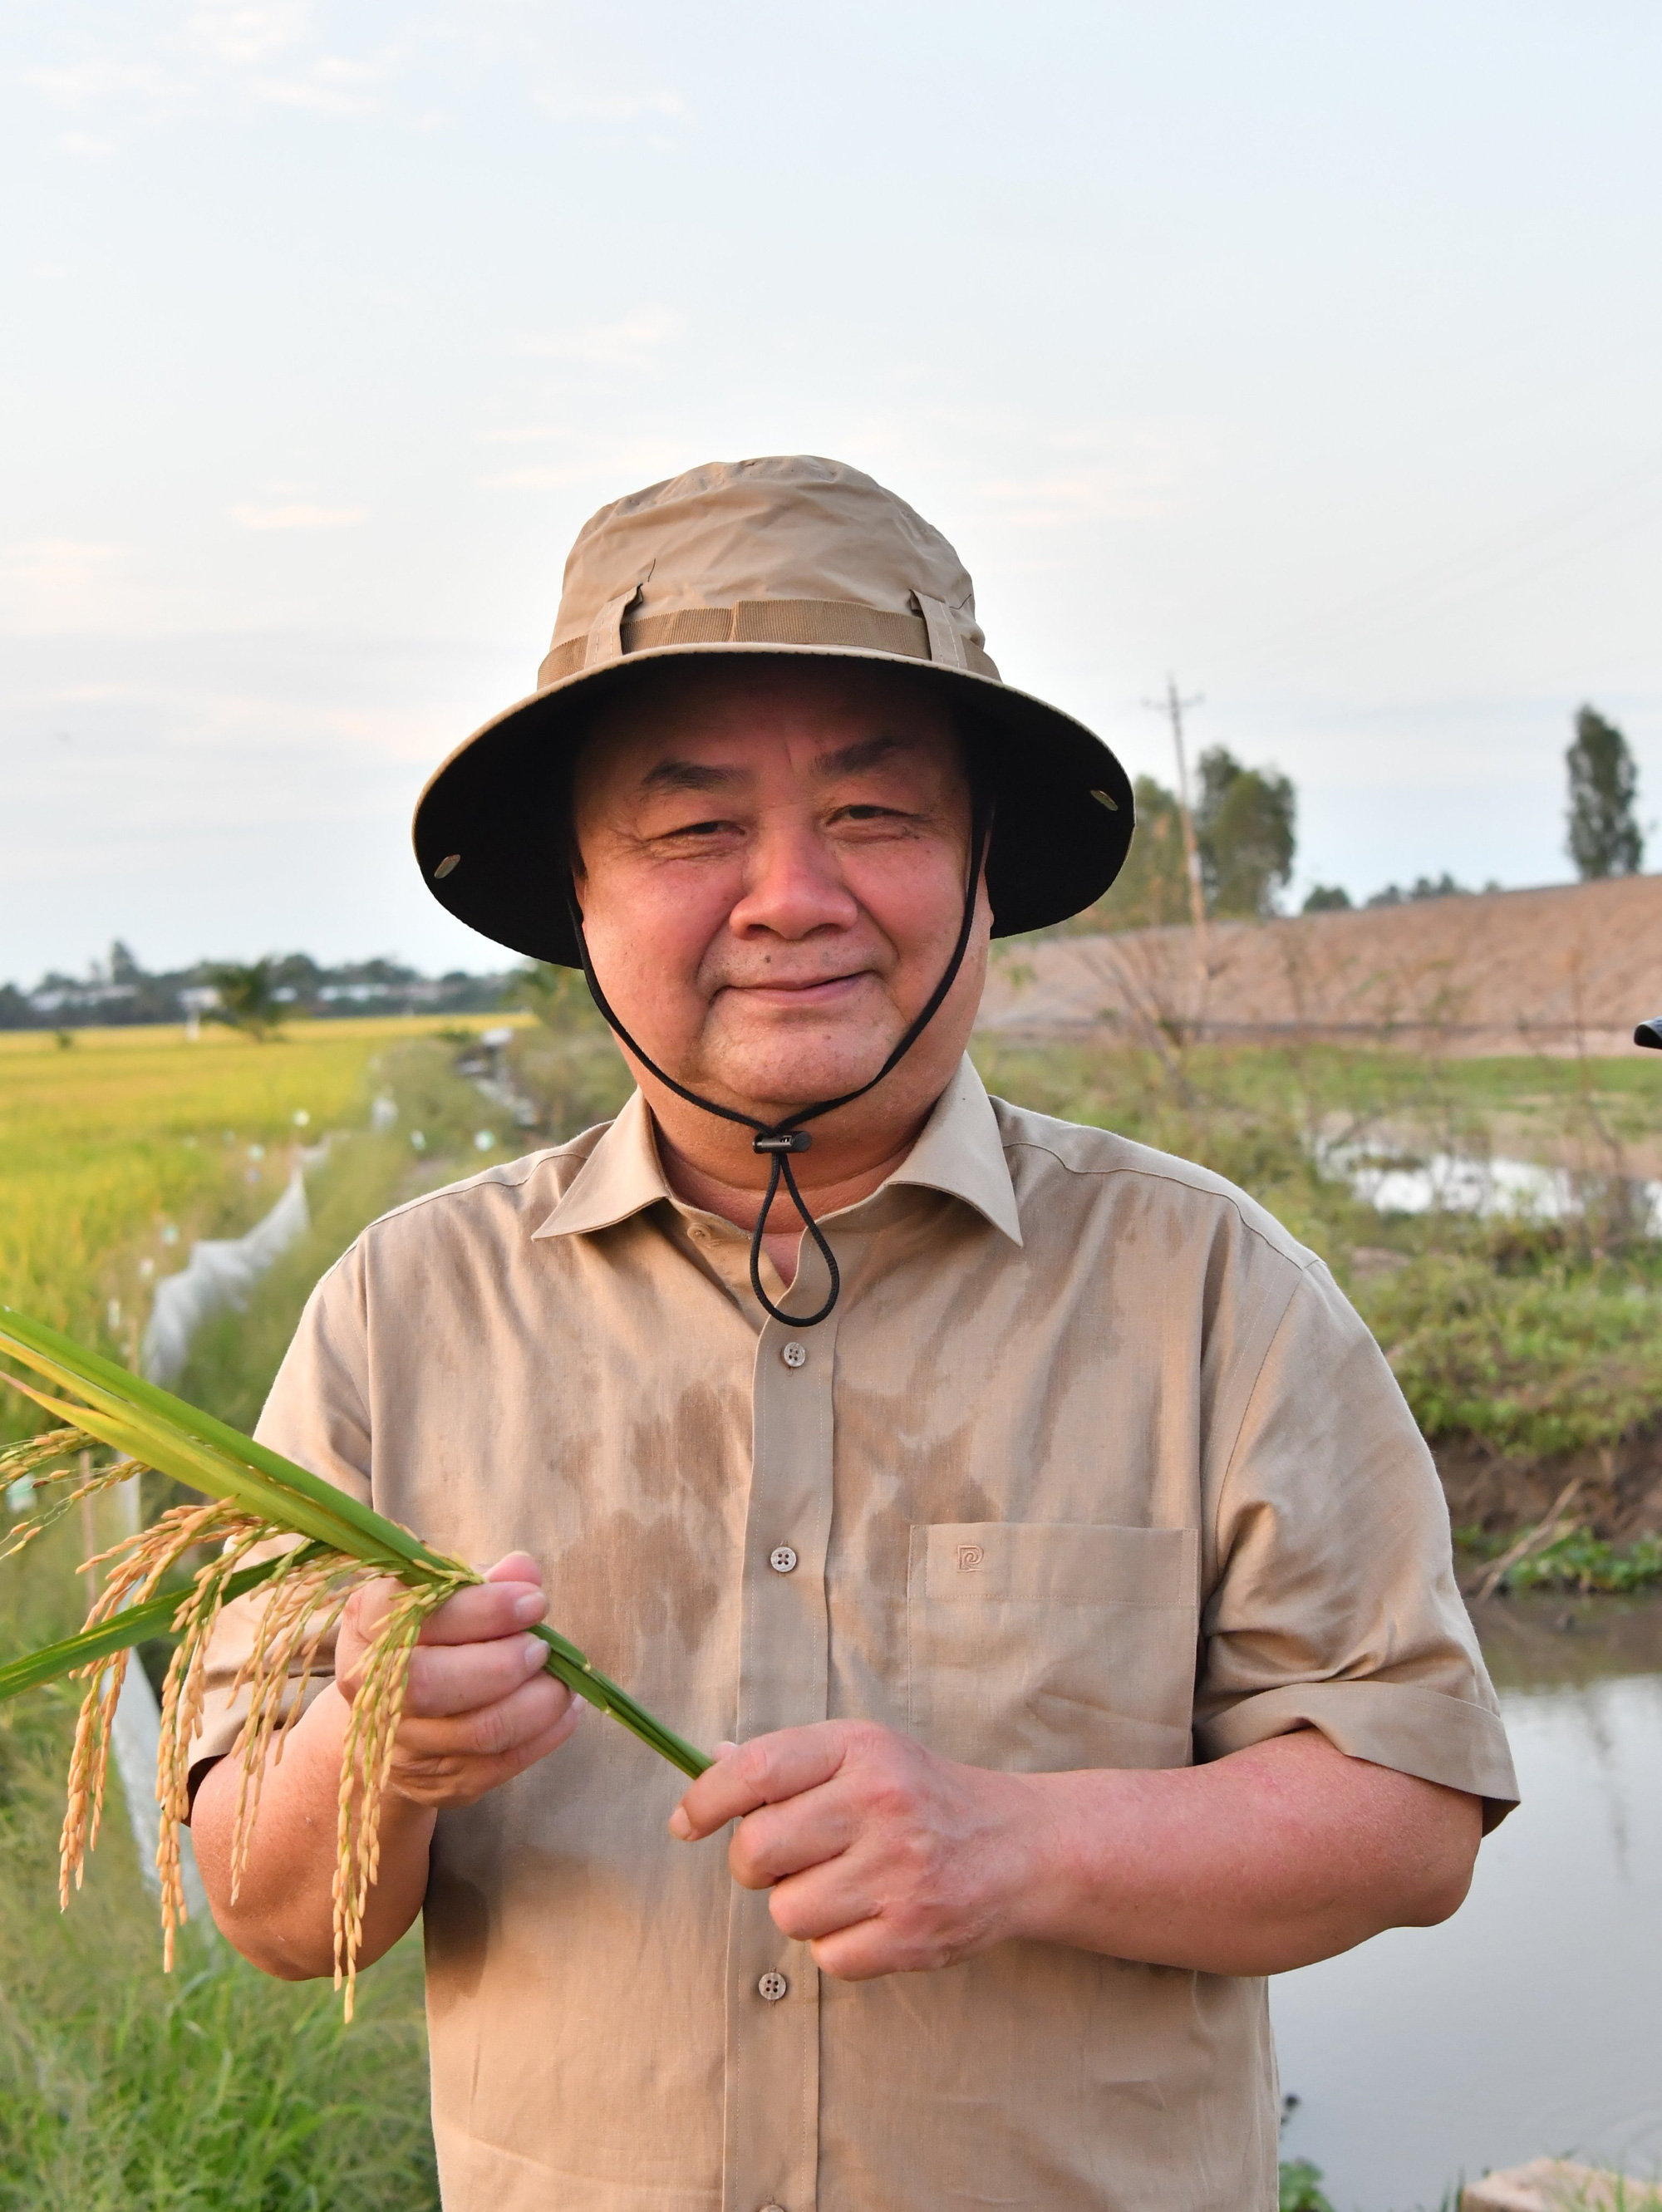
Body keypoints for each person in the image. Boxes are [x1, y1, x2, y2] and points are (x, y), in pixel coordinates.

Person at [191, 455, 1518, 2212]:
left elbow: (1404, 1813)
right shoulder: (403, 1309)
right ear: (578, 894)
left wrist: (1021, 1841)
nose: (791, 894)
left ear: (983, 870)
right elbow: (274, 1912)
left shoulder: (1210, 1287)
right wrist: (387, 1754)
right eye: (690, 826)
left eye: (876, 815)